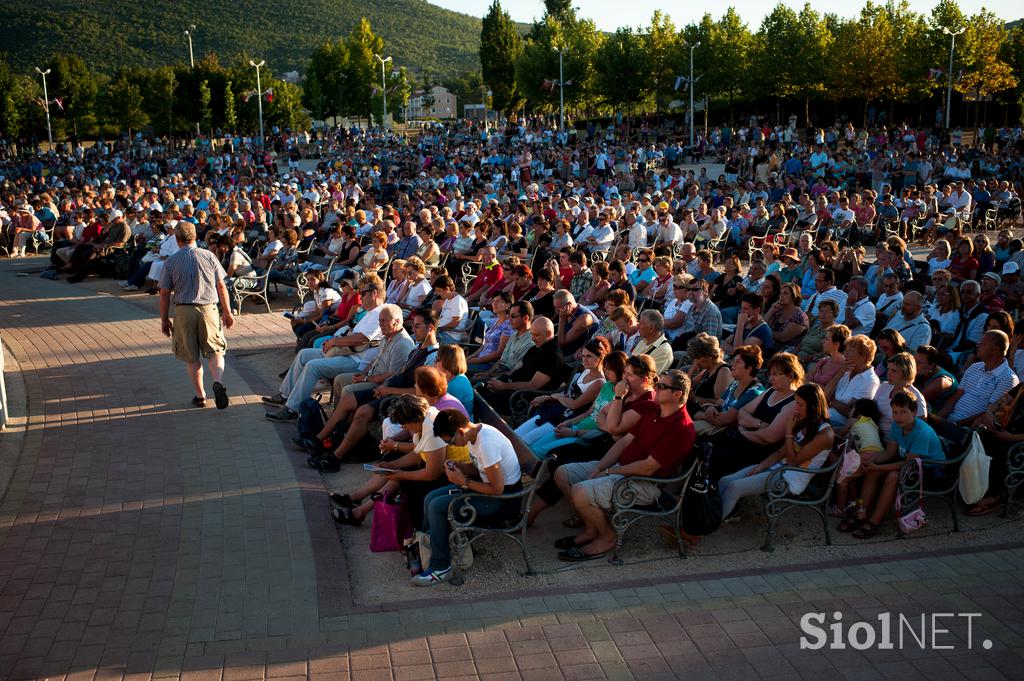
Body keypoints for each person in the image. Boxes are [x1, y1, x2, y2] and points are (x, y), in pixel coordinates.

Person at [554, 370, 696, 561]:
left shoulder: (681, 428)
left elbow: (647, 468)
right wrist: (599, 469)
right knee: (562, 474)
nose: (655, 388)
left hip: (645, 483)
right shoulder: (654, 409)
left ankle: (607, 537)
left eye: (661, 387)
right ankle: (591, 529)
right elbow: (623, 442)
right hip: (622, 468)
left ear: (677, 394)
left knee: (580, 491)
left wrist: (608, 471)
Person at [414, 409, 523, 585]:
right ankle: (430, 551)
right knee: (430, 498)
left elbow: (497, 489)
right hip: (490, 491)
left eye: (450, 441)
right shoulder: (475, 434)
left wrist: (463, 482)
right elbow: (481, 469)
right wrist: (460, 466)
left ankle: (441, 566)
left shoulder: (487, 443)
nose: (452, 445)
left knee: (437, 507)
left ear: (460, 431)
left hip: (503, 502)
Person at [263, 277, 387, 420]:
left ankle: (292, 409)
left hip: (358, 361)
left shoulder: (380, 313)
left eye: (362, 293)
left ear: (373, 294)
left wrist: (334, 342)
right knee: (304, 354)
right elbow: (354, 334)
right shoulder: (371, 312)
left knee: (313, 366)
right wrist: (334, 341)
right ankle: (285, 395)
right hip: (347, 353)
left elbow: (362, 338)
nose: (360, 296)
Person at [716, 384, 834, 521]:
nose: (796, 408)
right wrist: (760, 467)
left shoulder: (825, 434)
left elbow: (793, 462)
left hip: (791, 479)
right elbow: (779, 453)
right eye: (796, 403)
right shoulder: (805, 423)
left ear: (813, 406)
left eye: (800, 405)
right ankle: (712, 514)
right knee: (724, 481)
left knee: (734, 487)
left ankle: (712, 524)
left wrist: (789, 432)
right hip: (777, 469)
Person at [845, 391, 945, 539]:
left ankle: (875, 521)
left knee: (892, 476)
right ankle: (861, 512)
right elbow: (889, 453)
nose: (898, 416)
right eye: (895, 412)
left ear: (914, 412)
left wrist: (878, 467)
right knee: (872, 471)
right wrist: (871, 462)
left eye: (903, 412)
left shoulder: (921, 432)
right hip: (911, 464)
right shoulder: (897, 426)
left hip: (930, 470)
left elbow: (908, 464)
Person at [158, 221, 235, 409]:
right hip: (208, 308)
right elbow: (221, 285)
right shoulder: (209, 256)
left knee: (191, 356)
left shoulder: (171, 261)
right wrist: (227, 311)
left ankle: (201, 395)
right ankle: (217, 380)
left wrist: (164, 319)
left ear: (177, 240)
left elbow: (165, 292)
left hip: (184, 310)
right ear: (195, 237)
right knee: (215, 350)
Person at [478, 317, 565, 413]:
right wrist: (500, 379)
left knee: (480, 399)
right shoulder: (537, 347)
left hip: (521, 397)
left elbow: (533, 386)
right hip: (511, 387)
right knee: (478, 388)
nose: (532, 339)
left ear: (548, 334)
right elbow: (517, 367)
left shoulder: (552, 356)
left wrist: (503, 386)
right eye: (531, 334)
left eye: (536, 335)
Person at [938, 330, 1019, 426]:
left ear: (996, 349)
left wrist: (954, 425)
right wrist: (939, 419)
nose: (977, 345)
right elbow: (956, 396)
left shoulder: (1008, 378)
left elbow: (989, 412)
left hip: (969, 430)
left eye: (983, 343)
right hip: (950, 421)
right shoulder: (975, 367)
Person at [826, 335, 880, 427]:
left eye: (850, 352)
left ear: (863, 357)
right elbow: (825, 395)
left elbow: (851, 412)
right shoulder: (846, 370)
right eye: (846, 351)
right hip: (827, 414)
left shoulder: (870, 380)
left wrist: (831, 402)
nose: (845, 354)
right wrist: (838, 375)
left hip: (840, 423)